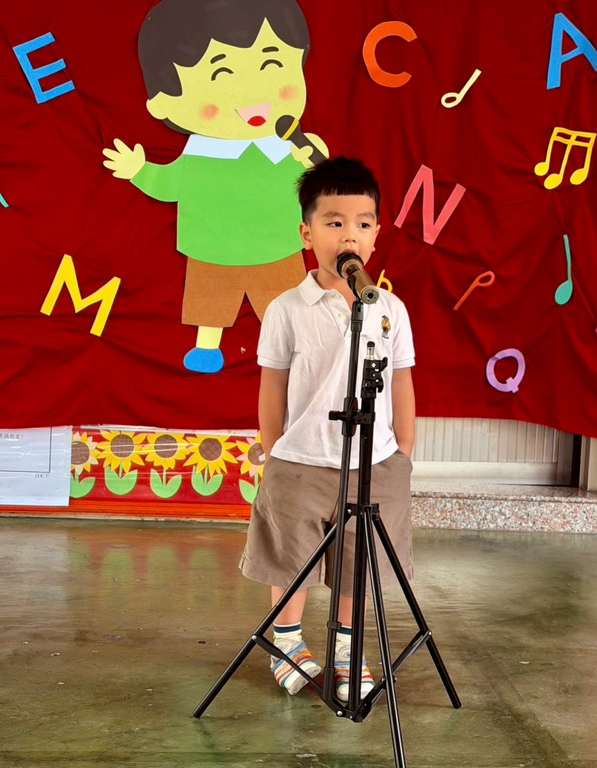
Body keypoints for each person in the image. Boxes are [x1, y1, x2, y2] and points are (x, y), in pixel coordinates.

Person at [239, 157, 416, 702]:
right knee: (291, 558)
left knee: (357, 563)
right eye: (334, 222)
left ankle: (346, 648)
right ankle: (288, 642)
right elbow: (273, 385)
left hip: (374, 460)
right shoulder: (287, 309)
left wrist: (404, 451)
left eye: (363, 223)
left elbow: (402, 380)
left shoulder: (389, 309)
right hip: (301, 461)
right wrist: (274, 449)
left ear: (377, 235)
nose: (349, 235)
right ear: (307, 233)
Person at [102, 0, 327, 374]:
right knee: (211, 300)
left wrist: (313, 157)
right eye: (221, 75)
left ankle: (292, 345)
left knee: (284, 300)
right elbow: (169, 184)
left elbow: (321, 183)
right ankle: (207, 346)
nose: (251, 93)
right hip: (212, 248)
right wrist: (138, 171)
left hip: (277, 245)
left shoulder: (289, 146)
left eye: (272, 65)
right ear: (163, 104)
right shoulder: (200, 154)